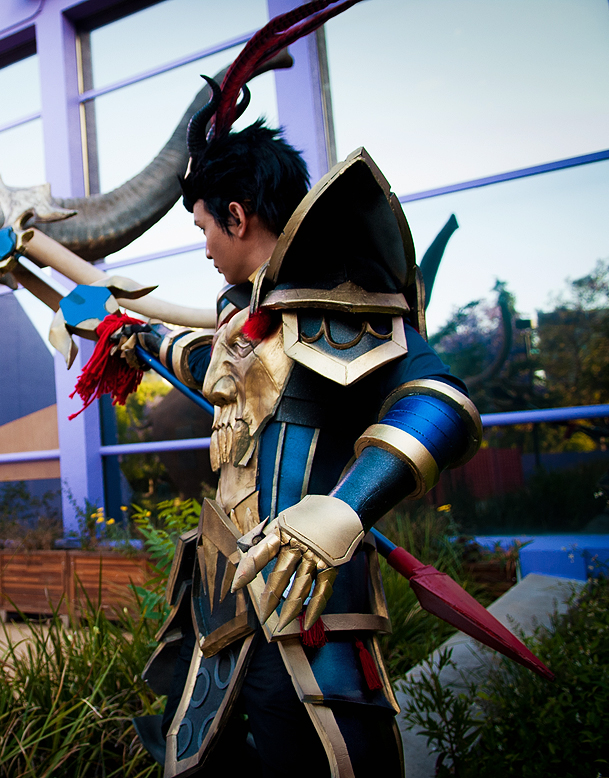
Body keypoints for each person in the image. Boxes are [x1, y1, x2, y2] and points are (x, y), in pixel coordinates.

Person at [124, 116, 482, 777]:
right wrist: (133, 335)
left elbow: (440, 404)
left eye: (204, 229)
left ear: (237, 216)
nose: (205, 249)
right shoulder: (245, 318)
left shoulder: (341, 302)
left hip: (309, 609)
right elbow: (210, 366)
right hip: (224, 598)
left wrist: (343, 509)